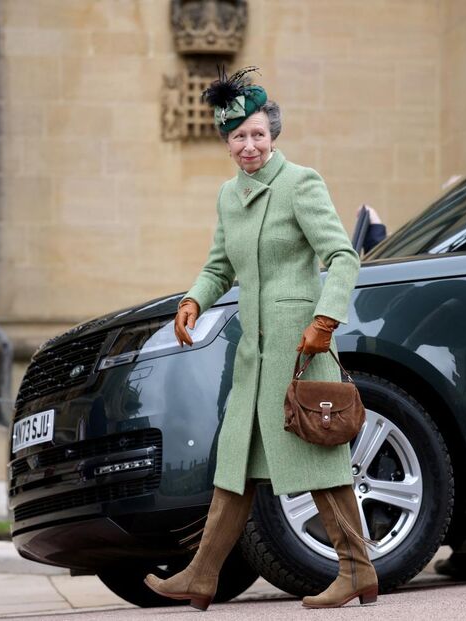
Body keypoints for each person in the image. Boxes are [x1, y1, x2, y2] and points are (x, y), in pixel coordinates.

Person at [144, 67, 375, 610]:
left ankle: (357, 569)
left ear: (273, 136)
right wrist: (193, 300)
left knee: (317, 462)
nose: (249, 145)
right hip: (254, 356)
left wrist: (325, 321)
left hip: (301, 350)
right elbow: (220, 264)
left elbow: (342, 256)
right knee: (235, 468)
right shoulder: (229, 196)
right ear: (226, 143)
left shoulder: (301, 183)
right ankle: (201, 575)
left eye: (258, 135)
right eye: (238, 137)